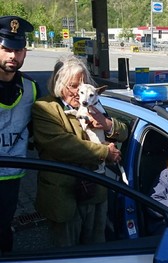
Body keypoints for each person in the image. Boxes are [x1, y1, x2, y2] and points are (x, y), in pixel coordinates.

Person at [32, 55, 128, 247]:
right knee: (67, 252)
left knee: (96, 246)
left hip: (96, 192)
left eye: (84, 84)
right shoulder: (45, 108)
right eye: (74, 86)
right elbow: (62, 145)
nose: (80, 92)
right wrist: (104, 152)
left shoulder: (93, 103)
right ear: (60, 84)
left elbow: (123, 132)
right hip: (64, 195)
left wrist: (106, 123)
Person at [0, 16, 40, 254]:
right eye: (5, 49)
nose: (12, 56)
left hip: (11, 178)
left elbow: (42, 131)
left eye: (18, 50)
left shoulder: (32, 88)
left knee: (3, 232)